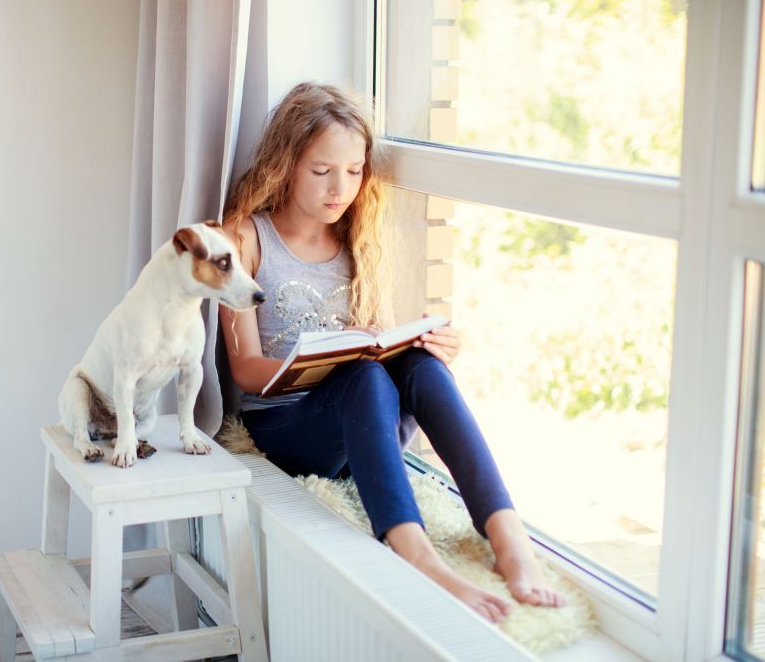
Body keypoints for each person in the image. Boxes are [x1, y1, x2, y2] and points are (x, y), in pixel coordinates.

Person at [218, 82, 565, 624]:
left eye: (354, 171)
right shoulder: (244, 238)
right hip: (288, 426)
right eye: (322, 171)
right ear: (286, 163)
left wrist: (427, 342)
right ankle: (417, 554)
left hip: (358, 417)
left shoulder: (356, 237)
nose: (341, 188)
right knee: (362, 378)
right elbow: (245, 370)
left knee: (418, 364)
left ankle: (507, 536)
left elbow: (375, 346)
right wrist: (330, 366)